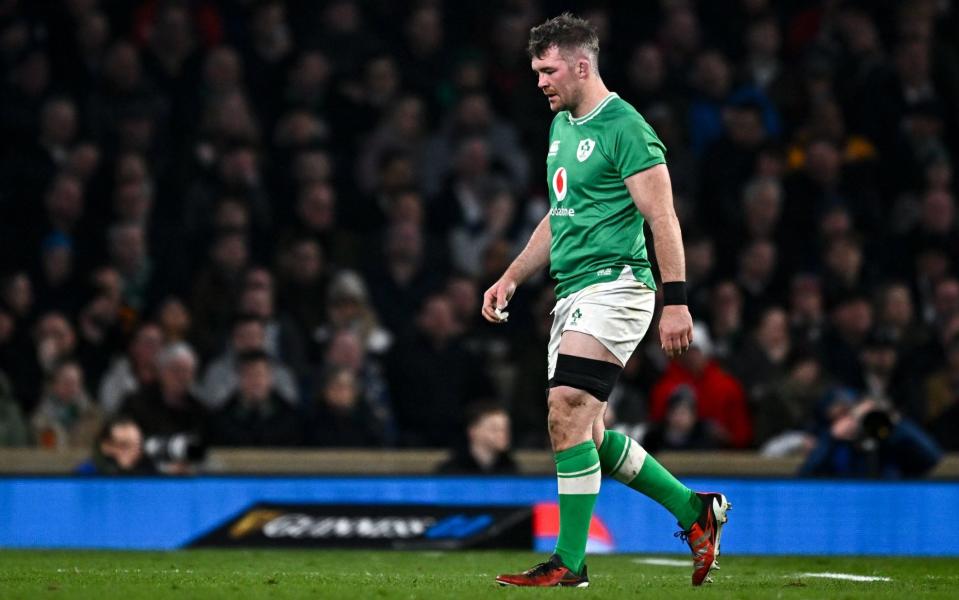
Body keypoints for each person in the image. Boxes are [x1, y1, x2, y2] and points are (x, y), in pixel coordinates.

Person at [485, 14, 729, 588]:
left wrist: (677, 302)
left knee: (566, 404)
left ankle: (569, 562)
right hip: (573, 291)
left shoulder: (627, 128)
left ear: (581, 64)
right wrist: (512, 276)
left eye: (548, 70)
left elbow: (662, 217)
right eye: (536, 71)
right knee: (587, 435)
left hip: (619, 284)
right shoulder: (562, 127)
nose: (540, 82)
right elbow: (560, 214)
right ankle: (696, 511)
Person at [437, 402, 518, 475]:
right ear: (473, 432)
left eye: (505, 429)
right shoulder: (451, 472)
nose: (502, 434)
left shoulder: (512, 470)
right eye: (494, 429)